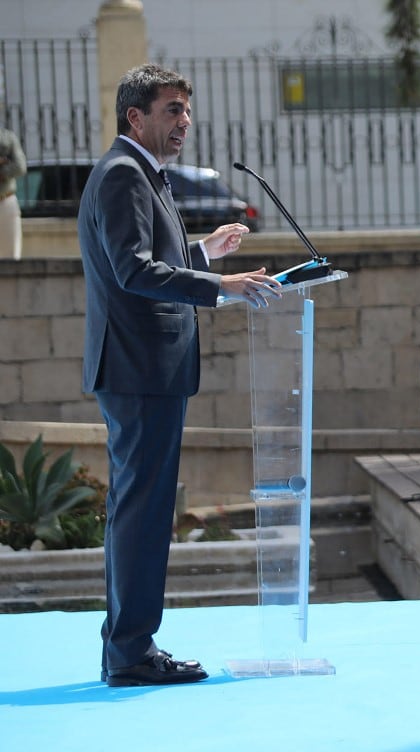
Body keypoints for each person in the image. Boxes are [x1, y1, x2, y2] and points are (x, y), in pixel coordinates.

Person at [81, 64, 282, 687]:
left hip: (145, 369)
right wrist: (220, 285)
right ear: (135, 117)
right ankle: (132, 654)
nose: (184, 122)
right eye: (171, 110)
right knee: (141, 512)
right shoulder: (124, 174)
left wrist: (202, 253)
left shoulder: (142, 173)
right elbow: (132, 271)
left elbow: (149, 261)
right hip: (140, 368)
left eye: (186, 111)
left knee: (140, 509)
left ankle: (128, 647)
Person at [0, 126, 26, 259]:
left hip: (5, 201)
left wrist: (2, 171)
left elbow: (20, 166)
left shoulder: (7, 137)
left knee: (11, 258)